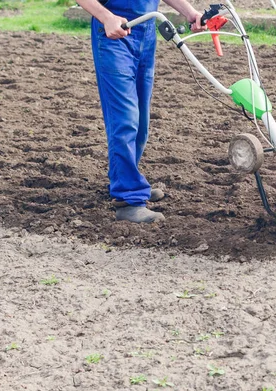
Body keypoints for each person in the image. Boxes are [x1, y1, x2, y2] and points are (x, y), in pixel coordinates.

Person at [77, 0, 205, 223]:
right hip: (114, 32)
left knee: (141, 123)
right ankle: (128, 198)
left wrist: (190, 12)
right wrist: (106, 17)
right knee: (125, 120)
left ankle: (126, 179)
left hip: (145, 30)